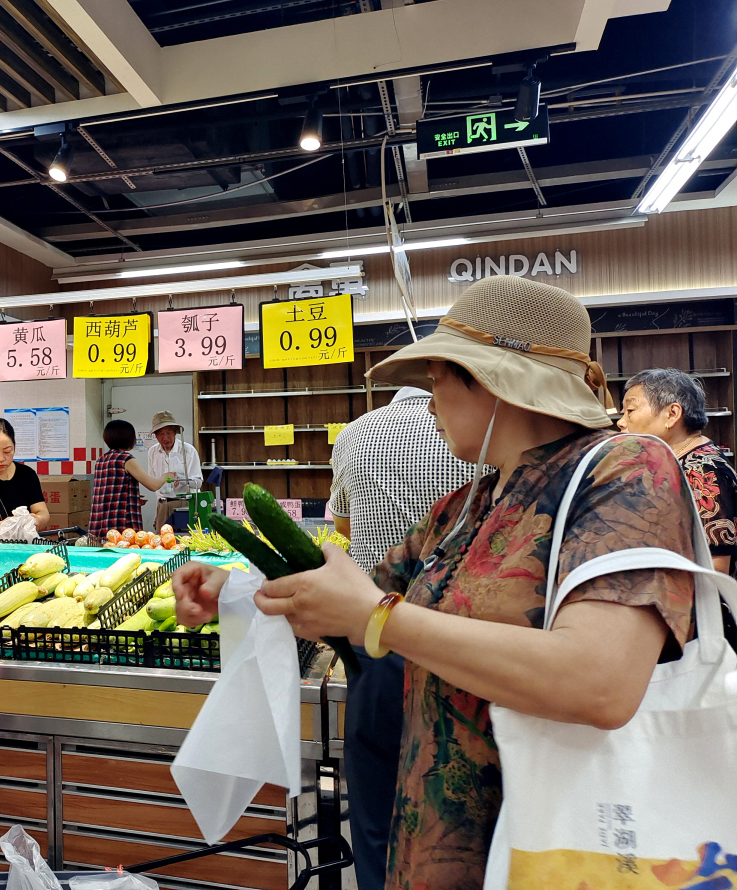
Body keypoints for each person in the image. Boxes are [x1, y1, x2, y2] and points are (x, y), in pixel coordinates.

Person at [173, 276, 701, 889]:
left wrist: (381, 617)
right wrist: (236, 589)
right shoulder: (468, 504)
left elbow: (601, 683)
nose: (429, 406)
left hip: (549, 847)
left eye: (437, 382)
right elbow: (354, 593)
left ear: (493, 381)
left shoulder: (628, 470)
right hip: (433, 836)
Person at [328, 386, 474, 890]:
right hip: (462, 648)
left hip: (372, 635)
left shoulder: (354, 434)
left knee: (375, 803)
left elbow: (344, 528)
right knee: (450, 805)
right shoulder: (477, 447)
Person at [618, 368, 737, 576]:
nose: (621, 422)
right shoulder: (676, 458)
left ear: (672, 414)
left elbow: (716, 568)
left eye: (630, 411)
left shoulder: (703, 471)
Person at [89, 420, 175, 536]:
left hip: (101, 520)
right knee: (124, 546)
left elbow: (110, 490)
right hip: (120, 522)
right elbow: (153, 485)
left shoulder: (102, 459)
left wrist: (132, 498)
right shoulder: (126, 459)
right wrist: (166, 476)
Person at [147, 411, 203, 531]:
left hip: (185, 504)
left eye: (169, 432)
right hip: (163, 504)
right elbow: (154, 484)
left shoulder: (188, 450)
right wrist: (157, 514)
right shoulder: (152, 452)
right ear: (155, 435)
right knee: (162, 540)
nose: (165, 437)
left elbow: (198, 483)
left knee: (186, 539)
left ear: (175, 432)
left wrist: (181, 479)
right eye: (161, 433)